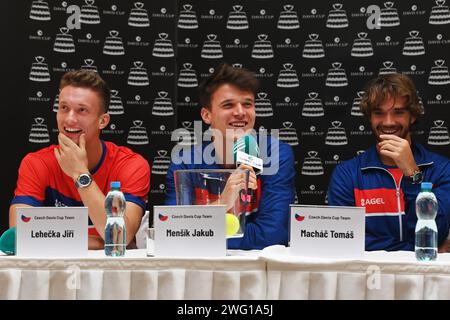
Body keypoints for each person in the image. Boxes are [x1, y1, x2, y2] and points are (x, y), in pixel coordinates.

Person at [9, 70, 150, 249]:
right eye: (64, 108)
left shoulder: (131, 165)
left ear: (103, 121)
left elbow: (118, 238)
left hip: (112, 273)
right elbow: (19, 234)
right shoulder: (36, 163)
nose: (69, 119)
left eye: (82, 110)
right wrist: (97, 242)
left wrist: (80, 174)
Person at [165, 63, 296, 250]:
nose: (240, 112)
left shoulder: (275, 154)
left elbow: (272, 235)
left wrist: (203, 233)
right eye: (228, 105)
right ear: (207, 115)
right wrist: (223, 202)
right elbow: (175, 231)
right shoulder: (184, 162)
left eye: (247, 104)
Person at [327, 73, 450, 251]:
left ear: (413, 116)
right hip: (366, 277)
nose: (388, 122)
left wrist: (413, 174)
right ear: (370, 117)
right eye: (379, 113)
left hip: (424, 278)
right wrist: (414, 249)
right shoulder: (347, 174)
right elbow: (344, 239)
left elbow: (435, 229)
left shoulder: (441, 169)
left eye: (398, 112)